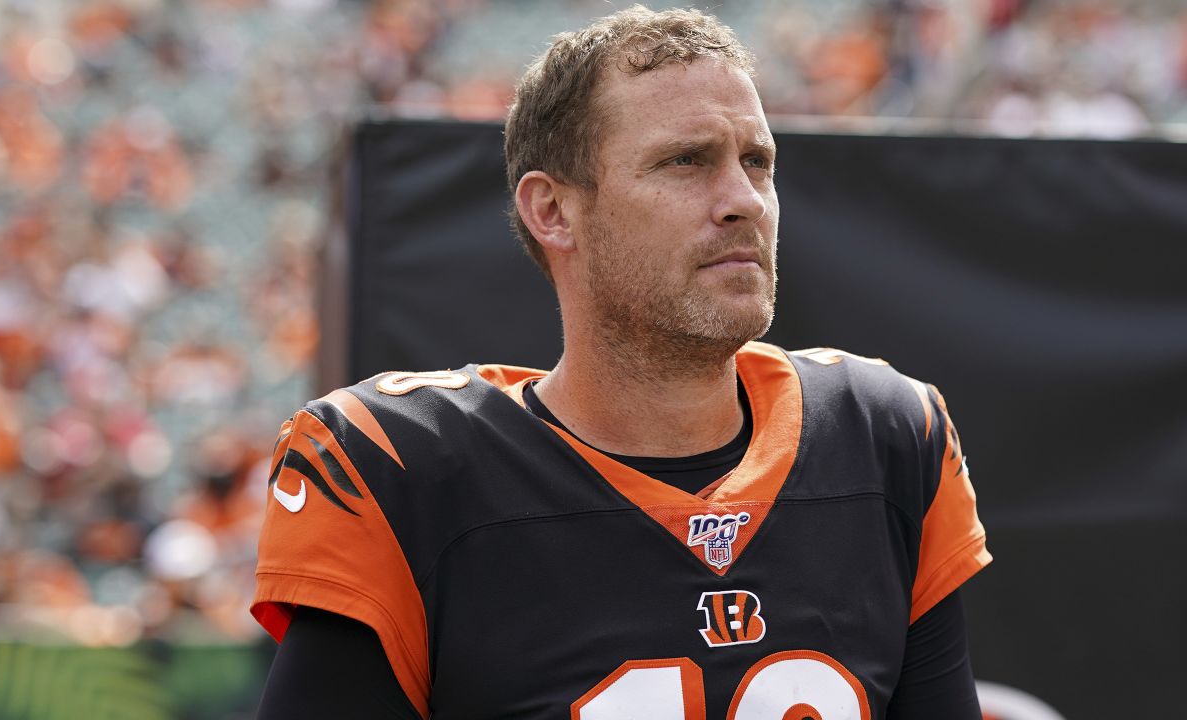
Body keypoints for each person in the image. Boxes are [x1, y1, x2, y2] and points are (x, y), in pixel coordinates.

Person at [252, 6, 990, 718]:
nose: (744, 201)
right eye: (685, 161)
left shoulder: (885, 433)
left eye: (756, 162)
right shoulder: (402, 469)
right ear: (553, 212)